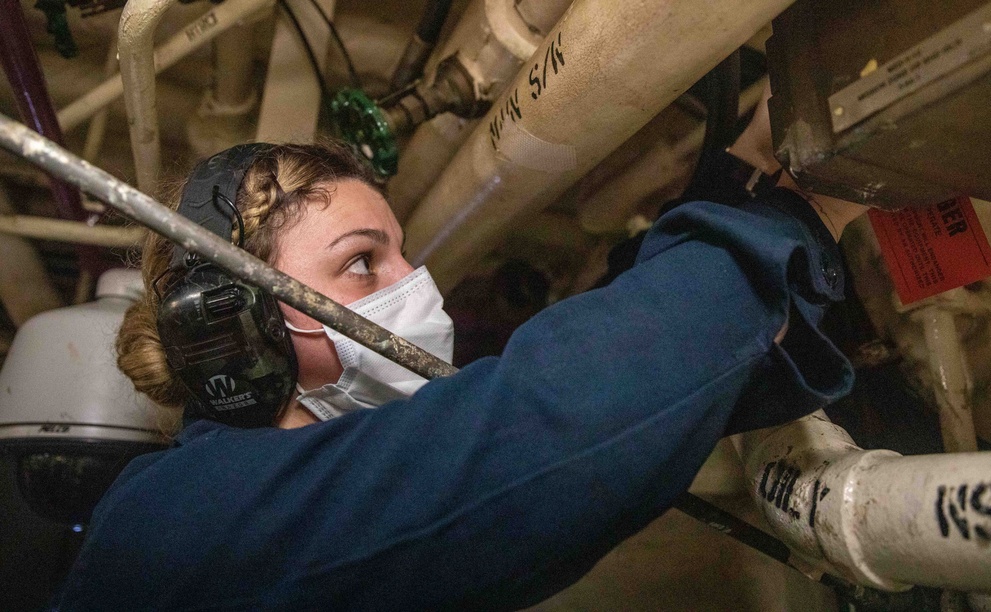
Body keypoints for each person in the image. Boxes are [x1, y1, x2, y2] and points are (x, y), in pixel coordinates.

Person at [54, 86, 865, 610]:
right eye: (363, 261)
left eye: (404, 253)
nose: (421, 289)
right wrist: (790, 220)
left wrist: (735, 187)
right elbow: (547, 427)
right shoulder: (173, 519)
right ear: (232, 329)